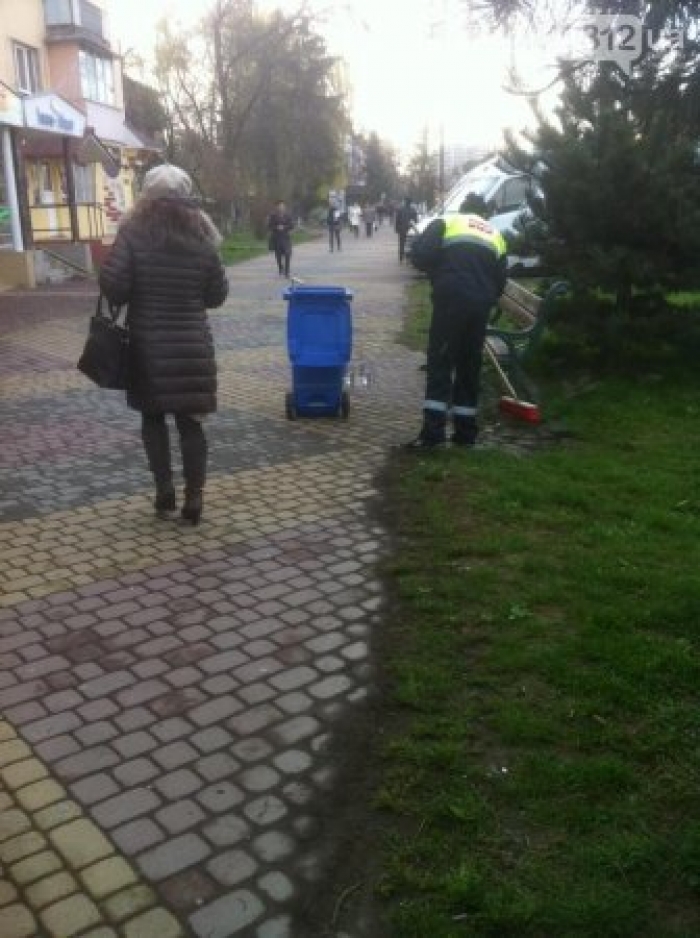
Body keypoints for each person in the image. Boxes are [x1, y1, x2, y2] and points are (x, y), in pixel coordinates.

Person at [99, 164, 229, 524]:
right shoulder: (203, 234)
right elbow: (217, 295)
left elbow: (116, 287)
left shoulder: (133, 232)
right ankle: (195, 498)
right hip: (193, 346)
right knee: (191, 423)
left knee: (153, 419)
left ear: (146, 195)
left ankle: (164, 492)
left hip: (148, 346)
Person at [404, 194, 507, 449]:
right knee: (469, 365)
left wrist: (435, 265)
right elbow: (501, 281)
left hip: (451, 302)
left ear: (462, 209)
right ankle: (465, 433)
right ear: (484, 214)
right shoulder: (495, 235)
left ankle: (433, 433)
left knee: (441, 361)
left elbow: (421, 257)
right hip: (480, 306)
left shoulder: (446, 223)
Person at [267, 199, 294, 277]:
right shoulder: (273, 216)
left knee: (288, 254)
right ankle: (280, 268)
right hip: (277, 238)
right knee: (278, 256)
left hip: (286, 238)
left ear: (284, 207)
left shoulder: (288, 215)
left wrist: (284, 227)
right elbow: (269, 226)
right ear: (277, 207)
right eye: (279, 206)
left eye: (282, 206)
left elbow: (292, 225)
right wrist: (276, 227)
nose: (281, 207)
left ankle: (287, 271)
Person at [395, 196, 418, 263]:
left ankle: (401, 258)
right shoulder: (413, 210)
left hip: (402, 229)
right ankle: (408, 258)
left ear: (405, 202)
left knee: (401, 244)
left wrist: (397, 228)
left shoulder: (400, 209)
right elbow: (415, 221)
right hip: (410, 230)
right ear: (410, 202)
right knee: (409, 244)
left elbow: (397, 220)